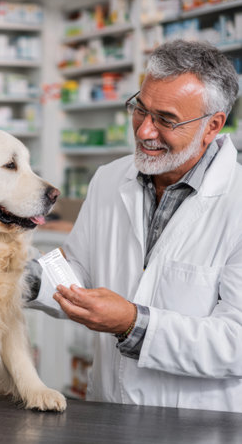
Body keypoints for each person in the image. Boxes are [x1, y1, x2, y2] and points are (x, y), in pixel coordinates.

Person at [28, 39, 242, 412]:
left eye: (165, 120)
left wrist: (133, 323)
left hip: (195, 426)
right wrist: (20, 277)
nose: (144, 131)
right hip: (107, 410)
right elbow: (77, 269)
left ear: (213, 126)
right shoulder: (110, 179)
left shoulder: (235, 203)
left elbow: (235, 342)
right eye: (140, 110)